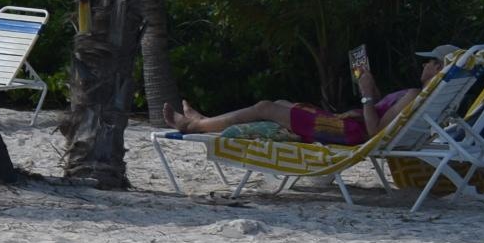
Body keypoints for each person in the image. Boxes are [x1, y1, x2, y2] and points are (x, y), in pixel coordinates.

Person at [168, 48, 454, 146]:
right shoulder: (423, 96)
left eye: (429, 62)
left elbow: (375, 132)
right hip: (346, 124)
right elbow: (381, 116)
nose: (423, 65)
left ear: (439, 67)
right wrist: (370, 88)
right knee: (280, 103)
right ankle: (204, 120)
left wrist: (367, 96)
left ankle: (194, 125)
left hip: (347, 132)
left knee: (266, 106)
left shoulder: (416, 94)